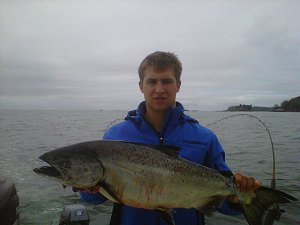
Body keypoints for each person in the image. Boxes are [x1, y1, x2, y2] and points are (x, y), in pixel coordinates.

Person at [79, 51, 261, 225]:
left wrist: (239, 197)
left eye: (166, 81)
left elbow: (224, 204)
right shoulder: (115, 136)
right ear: (141, 86)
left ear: (178, 85)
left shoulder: (205, 138)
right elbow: (95, 199)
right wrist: (87, 187)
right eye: (152, 81)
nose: (159, 89)